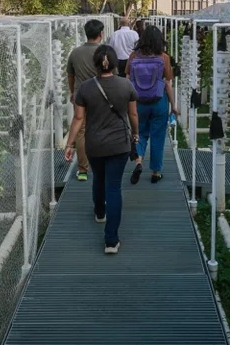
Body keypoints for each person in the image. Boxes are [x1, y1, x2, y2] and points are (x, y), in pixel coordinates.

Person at [65, 46, 139, 254]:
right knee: (114, 187)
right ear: (115, 64)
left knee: (98, 178)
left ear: (95, 64)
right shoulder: (126, 85)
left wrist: (70, 144)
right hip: (119, 144)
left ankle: (99, 211)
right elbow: (133, 115)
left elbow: (79, 119)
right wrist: (135, 134)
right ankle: (111, 240)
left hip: (94, 144)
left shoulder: (85, 89)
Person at [126, 25, 178, 184]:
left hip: (138, 101)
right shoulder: (164, 57)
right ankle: (156, 172)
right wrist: (173, 106)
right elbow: (168, 83)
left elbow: (127, 79)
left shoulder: (134, 56)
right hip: (159, 101)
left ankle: (139, 161)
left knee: (139, 132)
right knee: (158, 137)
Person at [66, 19, 110, 182]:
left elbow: (70, 75)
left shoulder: (75, 52)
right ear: (101, 34)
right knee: (102, 128)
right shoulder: (105, 52)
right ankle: (103, 165)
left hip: (81, 96)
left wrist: (73, 92)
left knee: (82, 131)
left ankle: (83, 169)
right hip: (102, 95)